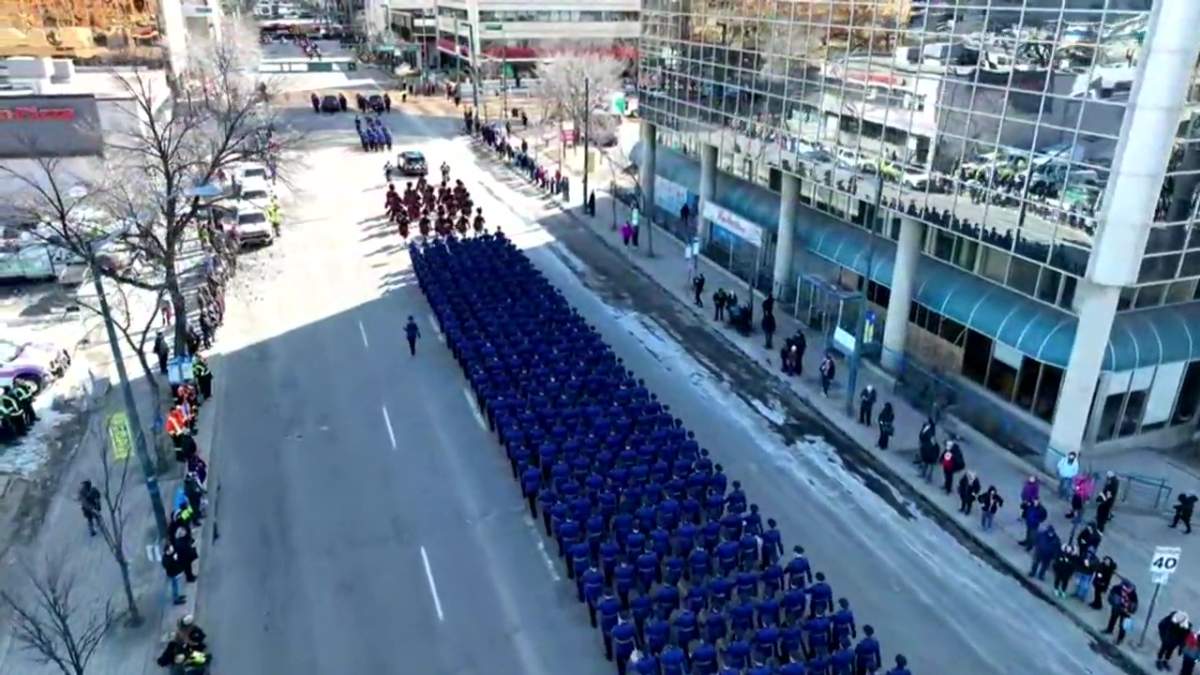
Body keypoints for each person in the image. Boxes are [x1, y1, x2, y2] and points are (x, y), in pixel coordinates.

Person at [1104, 577, 1139, 644]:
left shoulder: (1133, 594)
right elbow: (1111, 596)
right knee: (1112, 619)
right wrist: (1113, 603)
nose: (1129, 590)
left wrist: (1130, 610)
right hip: (1117, 608)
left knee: (1123, 626)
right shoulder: (1117, 588)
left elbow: (1135, 605)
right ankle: (1109, 630)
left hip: (1126, 611)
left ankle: (1120, 639)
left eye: (1130, 588)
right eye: (1128, 588)